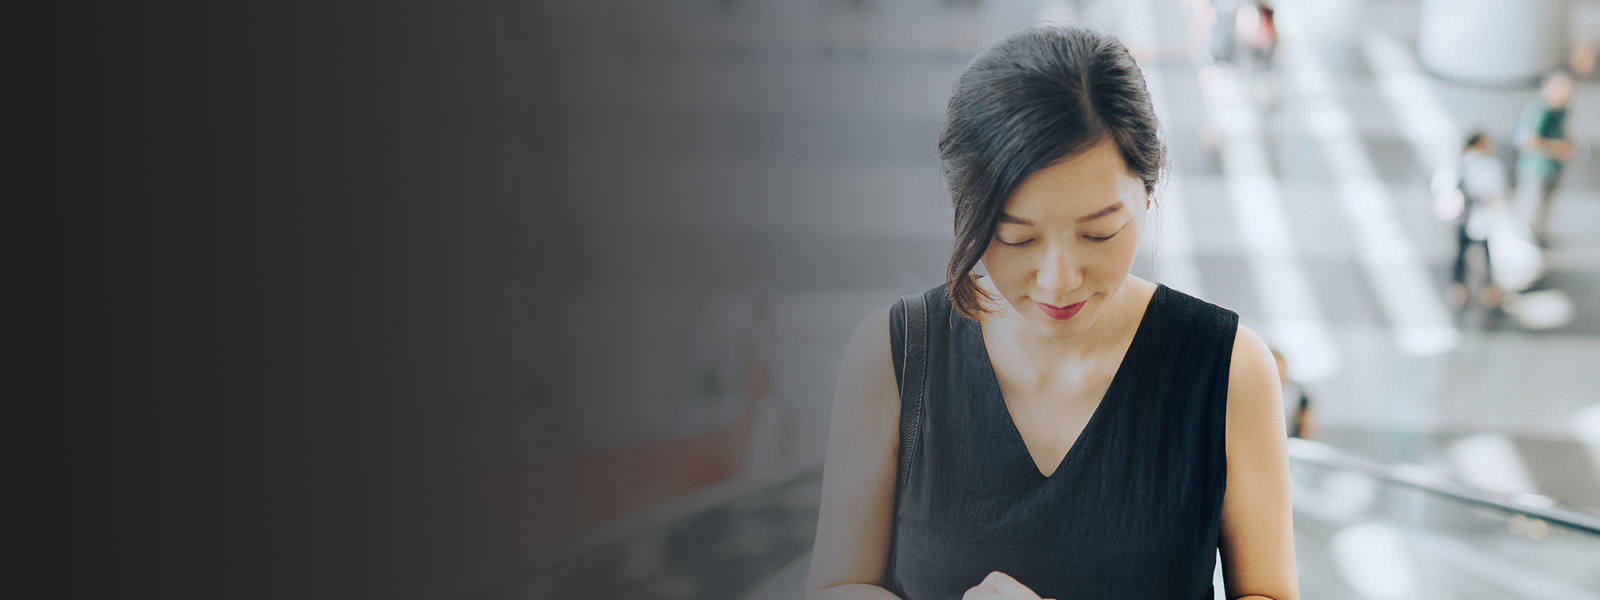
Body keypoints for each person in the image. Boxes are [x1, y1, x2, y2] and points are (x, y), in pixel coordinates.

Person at [805, 26, 1299, 600]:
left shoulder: (1230, 370)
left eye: (1099, 233)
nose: (1059, 280)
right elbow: (837, 586)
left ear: (1150, 188)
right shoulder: (895, 356)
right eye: (1018, 239)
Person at [1441, 132, 1509, 309]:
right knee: (1485, 253)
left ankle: (1460, 288)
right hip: (1478, 216)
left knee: (1462, 252)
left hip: (1464, 215)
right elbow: (1497, 191)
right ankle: (1487, 288)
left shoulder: (1460, 163)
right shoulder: (1490, 166)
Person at [1511, 71, 1574, 246]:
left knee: (1544, 206)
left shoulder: (1561, 110)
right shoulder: (1538, 109)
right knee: (1532, 204)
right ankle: (1524, 241)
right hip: (1536, 167)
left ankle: (1537, 235)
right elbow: (1527, 139)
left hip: (1552, 167)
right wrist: (1555, 147)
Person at [1269, 348, 1314, 440]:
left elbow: (1305, 424)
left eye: (1278, 362)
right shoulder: (1259, 392)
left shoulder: (1298, 393)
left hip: (1292, 441)